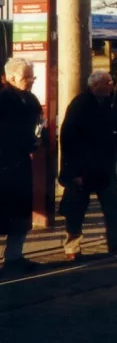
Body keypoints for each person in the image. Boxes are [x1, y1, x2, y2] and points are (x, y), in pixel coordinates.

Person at [59, 70, 117, 260]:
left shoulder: (105, 103)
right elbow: (68, 139)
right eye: (107, 83)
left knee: (113, 204)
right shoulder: (80, 104)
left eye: (111, 82)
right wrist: (72, 171)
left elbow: (115, 123)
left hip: (102, 166)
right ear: (95, 85)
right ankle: (72, 248)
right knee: (76, 209)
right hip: (82, 167)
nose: (111, 86)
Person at [0, 58, 43, 274]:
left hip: (20, 164)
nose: (31, 81)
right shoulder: (4, 99)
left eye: (32, 77)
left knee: (20, 213)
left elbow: (37, 122)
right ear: (12, 78)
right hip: (4, 164)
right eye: (27, 77)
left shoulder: (30, 99)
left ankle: (14, 257)